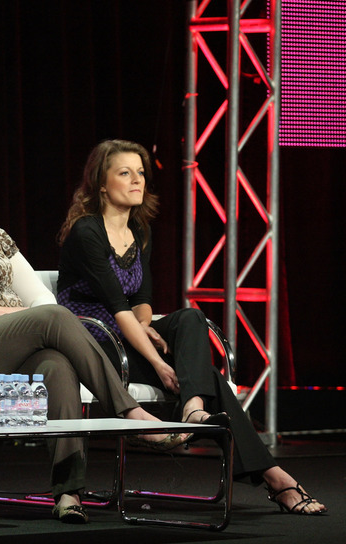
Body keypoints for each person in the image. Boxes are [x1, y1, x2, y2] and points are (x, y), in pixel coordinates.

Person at [0, 140, 186, 524]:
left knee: (57, 364)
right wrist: (5, 314)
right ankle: (128, 412)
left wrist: (19, 318)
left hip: (5, 351)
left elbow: (40, 297)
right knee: (53, 318)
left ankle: (68, 492)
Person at [56, 139, 327, 516]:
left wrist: (146, 325)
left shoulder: (139, 230)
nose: (137, 180)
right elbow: (117, 309)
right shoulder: (87, 231)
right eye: (124, 173)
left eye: (140, 173)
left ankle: (194, 408)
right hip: (94, 341)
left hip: (129, 333)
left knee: (190, 317)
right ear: (101, 183)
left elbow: (141, 301)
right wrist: (160, 361)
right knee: (210, 377)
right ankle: (275, 477)